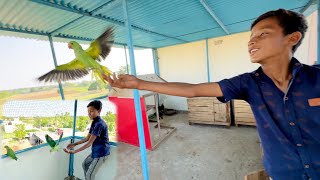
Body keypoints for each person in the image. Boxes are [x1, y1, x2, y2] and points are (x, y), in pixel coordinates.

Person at [103, 9, 320, 180]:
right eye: (250, 37)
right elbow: (193, 89)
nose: (252, 42)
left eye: (263, 34)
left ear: (292, 38)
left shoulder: (316, 79)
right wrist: (139, 83)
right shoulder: (248, 83)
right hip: (282, 175)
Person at [64, 100, 110, 180]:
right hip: (96, 151)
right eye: (88, 111)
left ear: (99, 110)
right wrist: (74, 144)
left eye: (91, 111)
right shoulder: (94, 123)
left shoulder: (99, 124)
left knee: (90, 175)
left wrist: (74, 151)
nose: (89, 113)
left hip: (101, 153)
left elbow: (89, 143)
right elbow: (87, 138)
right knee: (85, 164)